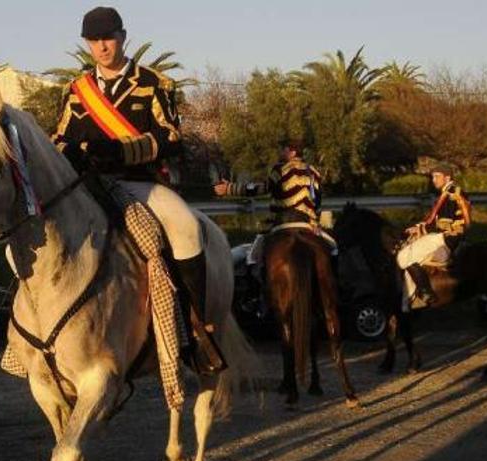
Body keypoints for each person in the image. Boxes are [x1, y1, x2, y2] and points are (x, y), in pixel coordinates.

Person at [51, 6, 223, 372]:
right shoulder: (77, 91)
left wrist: (122, 150)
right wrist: (76, 151)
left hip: (140, 183)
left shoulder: (153, 83)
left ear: (122, 37)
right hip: (90, 186)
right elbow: (59, 136)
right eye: (94, 40)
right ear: (87, 43)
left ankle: (197, 329)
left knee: (187, 227)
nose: (102, 46)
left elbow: (171, 136)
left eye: (108, 38)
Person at [213, 140, 333, 248]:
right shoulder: (314, 172)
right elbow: (318, 201)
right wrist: (315, 223)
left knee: (255, 254)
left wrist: (230, 188)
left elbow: (261, 188)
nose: (281, 152)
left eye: (284, 149)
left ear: (293, 152)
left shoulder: (280, 169)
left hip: (282, 222)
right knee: (332, 248)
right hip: (308, 224)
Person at [396, 163, 471, 305]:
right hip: (440, 236)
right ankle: (411, 298)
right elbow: (433, 220)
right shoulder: (446, 193)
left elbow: (454, 223)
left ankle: (425, 292)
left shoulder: (454, 194)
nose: (434, 180)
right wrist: (418, 227)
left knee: (402, 256)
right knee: (406, 248)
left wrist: (423, 230)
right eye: (432, 177)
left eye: (437, 176)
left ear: (447, 177)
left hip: (446, 239)